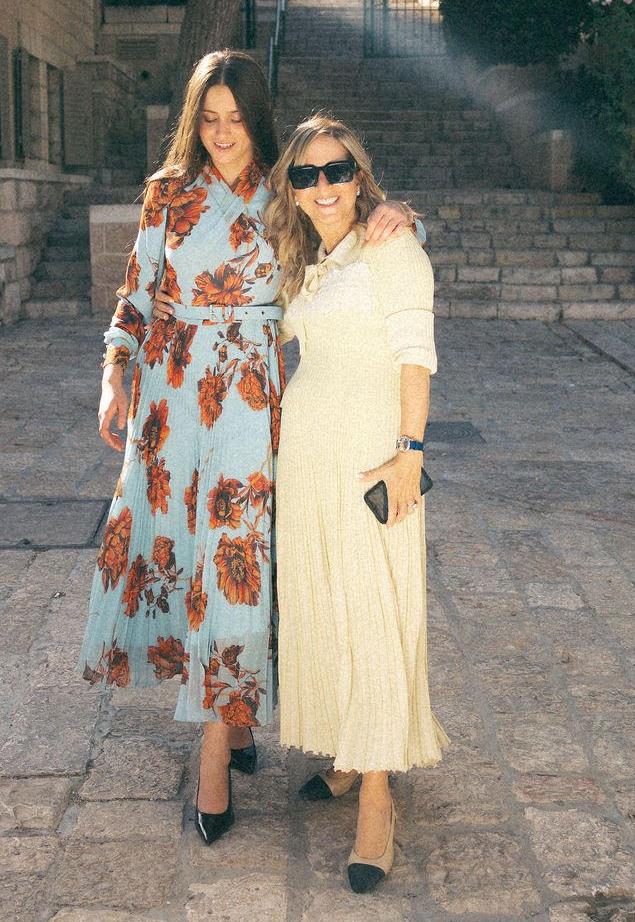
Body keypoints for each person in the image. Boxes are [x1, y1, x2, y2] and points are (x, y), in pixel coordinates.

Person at [78, 51, 413, 846]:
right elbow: (135, 294)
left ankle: (213, 754)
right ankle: (234, 718)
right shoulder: (167, 194)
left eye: (235, 118)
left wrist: (400, 213)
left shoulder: (285, 188)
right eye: (209, 117)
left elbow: (350, 235)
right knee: (190, 556)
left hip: (251, 403)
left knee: (238, 563)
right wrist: (113, 374)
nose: (222, 133)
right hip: (169, 401)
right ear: (193, 118)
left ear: (255, 119)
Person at [267, 114, 447, 893]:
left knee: (375, 609)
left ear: (359, 176)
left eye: (335, 170)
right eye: (304, 175)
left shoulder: (389, 244)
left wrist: (410, 453)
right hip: (307, 457)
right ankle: (349, 753)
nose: (322, 186)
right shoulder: (305, 258)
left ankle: (378, 797)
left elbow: (417, 354)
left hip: (374, 454)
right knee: (326, 606)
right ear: (292, 188)